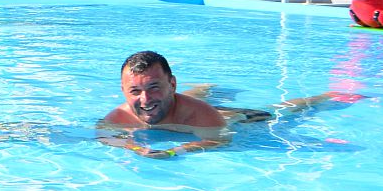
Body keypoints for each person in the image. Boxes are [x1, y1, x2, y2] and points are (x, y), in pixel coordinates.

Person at [100, 50, 355, 158]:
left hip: (231, 118)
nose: (143, 99)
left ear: (172, 84)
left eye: (154, 86)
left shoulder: (201, 117)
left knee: (278, 111)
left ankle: (326, 97)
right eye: (135, 91)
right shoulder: (119, 117)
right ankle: (206, 87)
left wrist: (172, 152)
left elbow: (219, 140)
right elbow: (104, 135)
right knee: (161, 102)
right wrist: (133, 148)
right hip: (179, 106)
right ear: (123, 90)